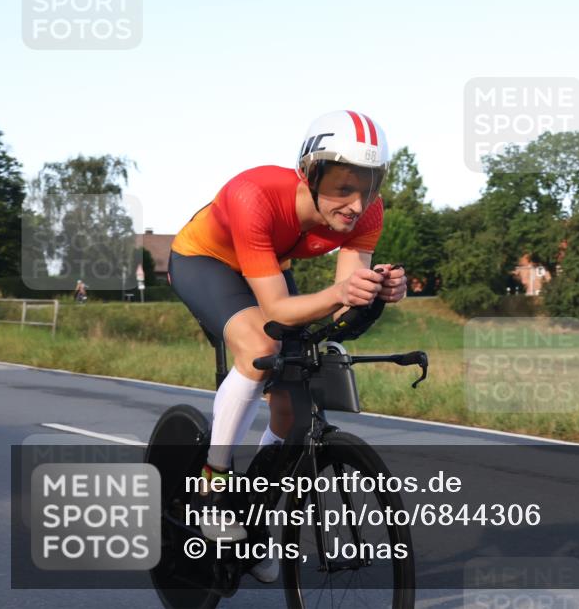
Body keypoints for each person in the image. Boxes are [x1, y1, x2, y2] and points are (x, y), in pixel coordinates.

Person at [167, 110, 407, 582]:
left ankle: (256, 516)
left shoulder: (366, 214)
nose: (357, 205)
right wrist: (340, 293)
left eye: (369, 187)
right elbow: (277, 311)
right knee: (260, 348)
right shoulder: (254, 194)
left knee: (293, 389)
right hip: (204, 260)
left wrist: (373, 293)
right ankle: (212, 487)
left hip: (266, 263)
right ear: (310, 174)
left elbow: (342, 306)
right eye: (342, 187)